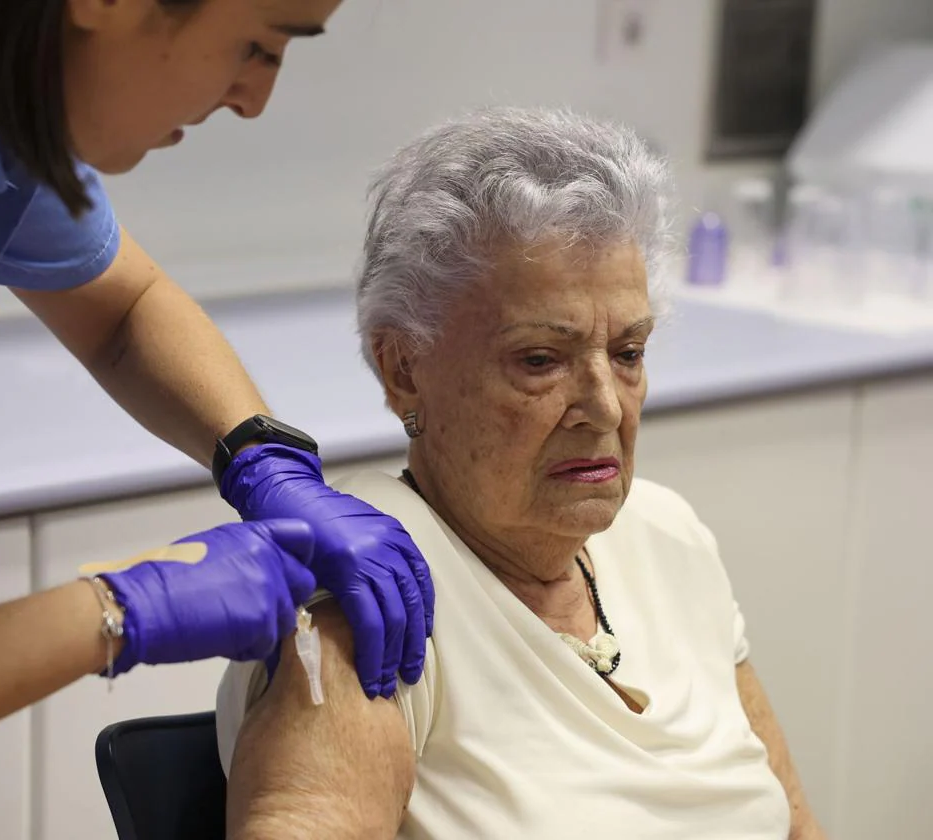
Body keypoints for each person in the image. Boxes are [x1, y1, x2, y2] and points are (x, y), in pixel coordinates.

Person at [0, 0, 434, 808]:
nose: (254, 99)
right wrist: (112, 610)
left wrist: (262, 457)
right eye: (258, 44)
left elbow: (124, 309)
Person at [215, 107, 827, 839]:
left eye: (628, 353)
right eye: (541, 360)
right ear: (404, 368)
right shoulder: (371, 595)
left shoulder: (670, 540)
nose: (603, 408)